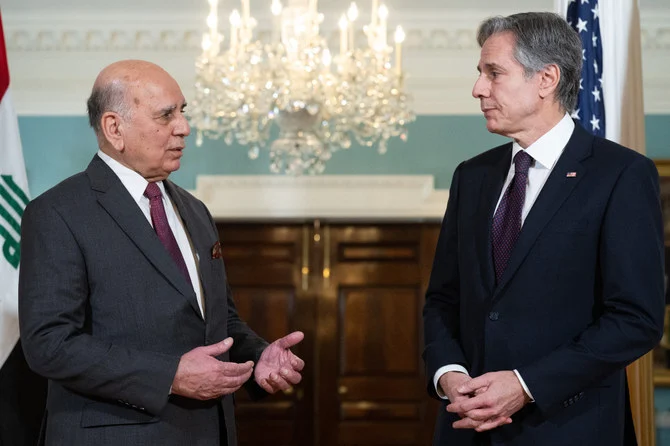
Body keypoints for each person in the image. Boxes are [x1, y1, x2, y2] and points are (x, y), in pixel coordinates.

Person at [18, 60, 305, 446]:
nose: (183, 127)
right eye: (165, 115)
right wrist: (169, 375)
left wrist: (258, 357)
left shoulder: (195, 211)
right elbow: (49, 344)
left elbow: (219, 321)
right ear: (114, 128)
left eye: (182, 111)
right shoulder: (57, 213)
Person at [422, 12, 664, 446]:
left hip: (569, 430)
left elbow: (636, 319)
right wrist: (449, 374)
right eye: (480, 74)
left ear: (546, 78)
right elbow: (443, 299)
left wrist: (524, 384)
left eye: (493, 73)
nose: (478, 89)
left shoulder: (620, 174)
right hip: (466, 430)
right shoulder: (472, 176)